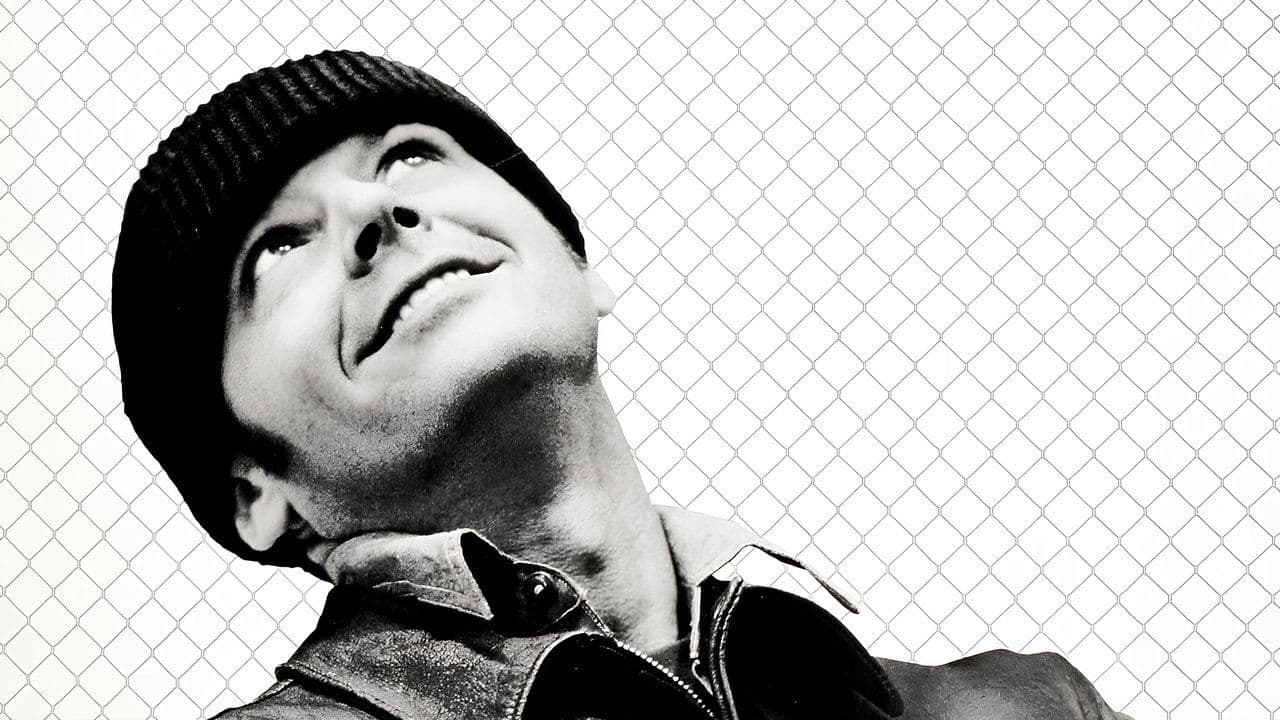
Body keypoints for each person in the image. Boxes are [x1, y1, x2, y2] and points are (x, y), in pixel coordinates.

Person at [112, 49, 1131, 720]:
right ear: (253, 490)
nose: (374, 213)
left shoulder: (1028, 706)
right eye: (279, 247)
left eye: (411, 157)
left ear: (581, 270)